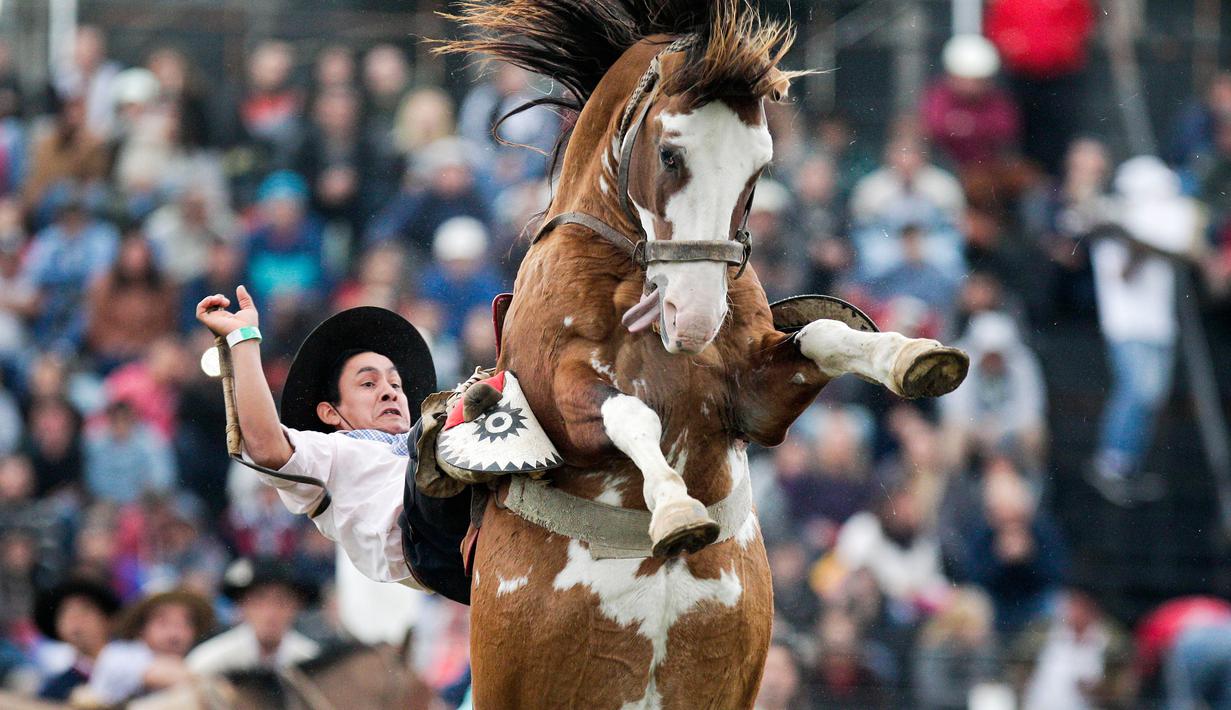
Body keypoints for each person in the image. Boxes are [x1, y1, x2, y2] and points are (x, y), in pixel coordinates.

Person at [195, 288, 498, 604]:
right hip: (426, 537)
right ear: (330, 412)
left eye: (396, 384)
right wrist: (243, 338)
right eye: (368, 383)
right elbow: (265, 446)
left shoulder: (411, 441)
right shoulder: (331, 450)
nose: (389, 392)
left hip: (483, 542)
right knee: (452, 418)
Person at [1086, 156, 1203, 506]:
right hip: (1127, 324)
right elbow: (1125, 270)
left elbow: (1183, 245)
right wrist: (1138, 240)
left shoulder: (1146, 223)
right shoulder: (1112, 227)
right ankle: (1110, 462)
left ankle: (1128, 465)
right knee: (1136, 390)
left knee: (1152, 397)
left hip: (1158, 324)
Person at [185, 557, 320, 674]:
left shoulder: (313, 660)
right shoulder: (210, 662)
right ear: (242, 606)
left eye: (281, 602)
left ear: (297, 607)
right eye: (258, 602)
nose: (270, 613)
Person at [82, 587, 213, 706]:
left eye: (185, 624)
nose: (175, 633)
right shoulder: (118, 654)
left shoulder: (192, 661)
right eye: (164, 622)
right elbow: (160, 674)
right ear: (142, 627)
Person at [34, 576, 121, 701]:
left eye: (85, 609)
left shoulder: (136, 663)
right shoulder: (55, 690)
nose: (74, 617)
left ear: (108, 620)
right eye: (64, 612)